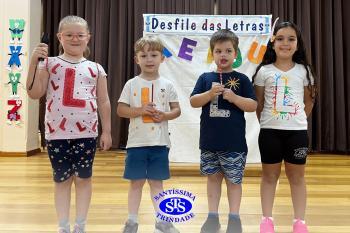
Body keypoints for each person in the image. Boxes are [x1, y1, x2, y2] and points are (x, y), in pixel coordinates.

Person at [26, 15, 112, 233]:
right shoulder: (49, 63)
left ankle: (80, 224)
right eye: (69, 35)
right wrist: (33, 63)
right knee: (62, 180)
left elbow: (104, 101)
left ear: (88, 38)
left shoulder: (96, 68)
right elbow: (34, 92)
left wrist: (107, 131)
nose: (75, 39)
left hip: (87, 133)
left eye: (80, 35)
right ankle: (63, 225)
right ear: (59, 37)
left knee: (84, 179)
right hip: (57, 134)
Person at [190, 29, 257, 233]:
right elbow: (193, 101)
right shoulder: (205, 77)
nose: (223, 55)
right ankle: (212, 216)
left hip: (234, 143)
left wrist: (235, 98)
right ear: (212, 53)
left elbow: (253, 105)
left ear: (236, 54)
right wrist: (209, 93)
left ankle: (234, 217)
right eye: (218, 51)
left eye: (228, 50)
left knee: (234, 181)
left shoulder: (242, 79)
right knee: (213, 179)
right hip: (210, 141)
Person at [252, 21, 316, 233]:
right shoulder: (263, 71)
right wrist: (271, 121)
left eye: (291, 39)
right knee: (269, 176)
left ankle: (300, 222)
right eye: (280, 39)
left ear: (298, 44)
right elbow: (259, 104)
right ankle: (266, 220)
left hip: (296, 134)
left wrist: (296, 119)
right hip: (270, 132)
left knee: (297, 177)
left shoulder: (305, 71)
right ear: (273, 43)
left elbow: (309, 101)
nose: (285, 43)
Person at [117, 36, 181, 233]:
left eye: (154, 55)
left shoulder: (168, 84)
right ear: (137, 59)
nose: (149, 59)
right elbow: (121, 110)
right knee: (136, 183)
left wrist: (164, 115)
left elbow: (177, 110)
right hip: (136, 144)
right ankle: (132, 221)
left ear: (162, 58)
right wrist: (140, 110)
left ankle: (162, 221)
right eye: (143, 55)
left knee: (157, 183)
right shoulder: (131, 84)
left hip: (160, 144)